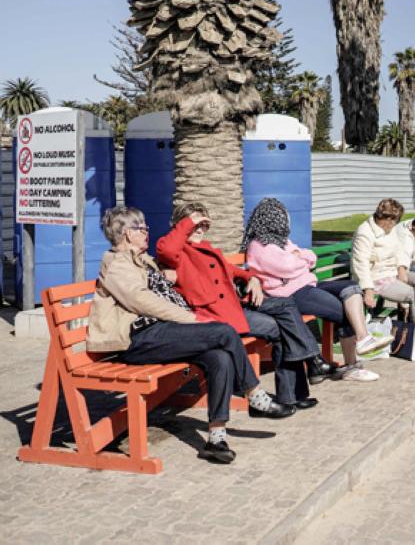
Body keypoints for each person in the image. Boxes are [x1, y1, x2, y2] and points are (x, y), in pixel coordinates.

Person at [87, 206, 288, 464]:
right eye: (142, 229)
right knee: (224, 331)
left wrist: (165, 278)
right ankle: (255, 395)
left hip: (161, 333)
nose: (147, 232)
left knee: (219, 357)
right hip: (140, 339)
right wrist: (192, 319)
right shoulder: (115, 264)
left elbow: (159, 284)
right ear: (127, 234)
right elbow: (142, 302)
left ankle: (216, 437)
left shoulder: (141, 260)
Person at [157, 203, 334, 410]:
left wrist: (252, 278)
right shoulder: (174, 251)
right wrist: (190, 222)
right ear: (181, 225)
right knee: (280, 327)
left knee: (285, 307)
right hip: (214, 317)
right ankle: (304, 376)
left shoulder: (206, 248)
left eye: (203, 225)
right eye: (194, 225)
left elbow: (232, 270)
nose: (199, 230)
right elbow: (167, 250)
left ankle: (304, 377)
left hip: (234, 308)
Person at [242, 198, 390, 382]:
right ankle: (352, 365)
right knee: (344, 311)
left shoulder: (282, 242)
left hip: (307, 284)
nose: (286, 221)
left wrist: (300, 257)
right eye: (282, 216)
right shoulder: (259, 246)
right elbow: (287, 266)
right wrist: (300, 260)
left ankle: (362, 338)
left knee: (351, 288)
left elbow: (311, 257)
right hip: (291, 294)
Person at [351, 199, 415, 352]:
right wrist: (368, 289)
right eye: (393, 220)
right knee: (412, 294)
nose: (394, 225)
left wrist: (401, 269)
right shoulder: (365, 232)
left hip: (391, 272)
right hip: (375, 278)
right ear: (386, 218)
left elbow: (398, 250)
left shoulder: (389, 230)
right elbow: (360, 262)